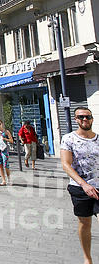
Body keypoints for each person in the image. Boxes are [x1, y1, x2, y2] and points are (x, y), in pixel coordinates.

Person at [60, 107, 99, 264]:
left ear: (92, 119)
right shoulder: (69, 139)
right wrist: (84, 185)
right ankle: (87, 258)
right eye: (81, 117)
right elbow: (66, 164)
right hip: (80, 188)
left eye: (88, 117)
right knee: (85, 223)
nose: (85, 119)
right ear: (76, 119)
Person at [0, 120, 13, 186]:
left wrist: (5, 139)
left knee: (6, 164)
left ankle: (9, 179)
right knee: (0, 164)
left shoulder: (6, 132)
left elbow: (11, 140)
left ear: (2, 124)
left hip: (4, 149)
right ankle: (3, 180)